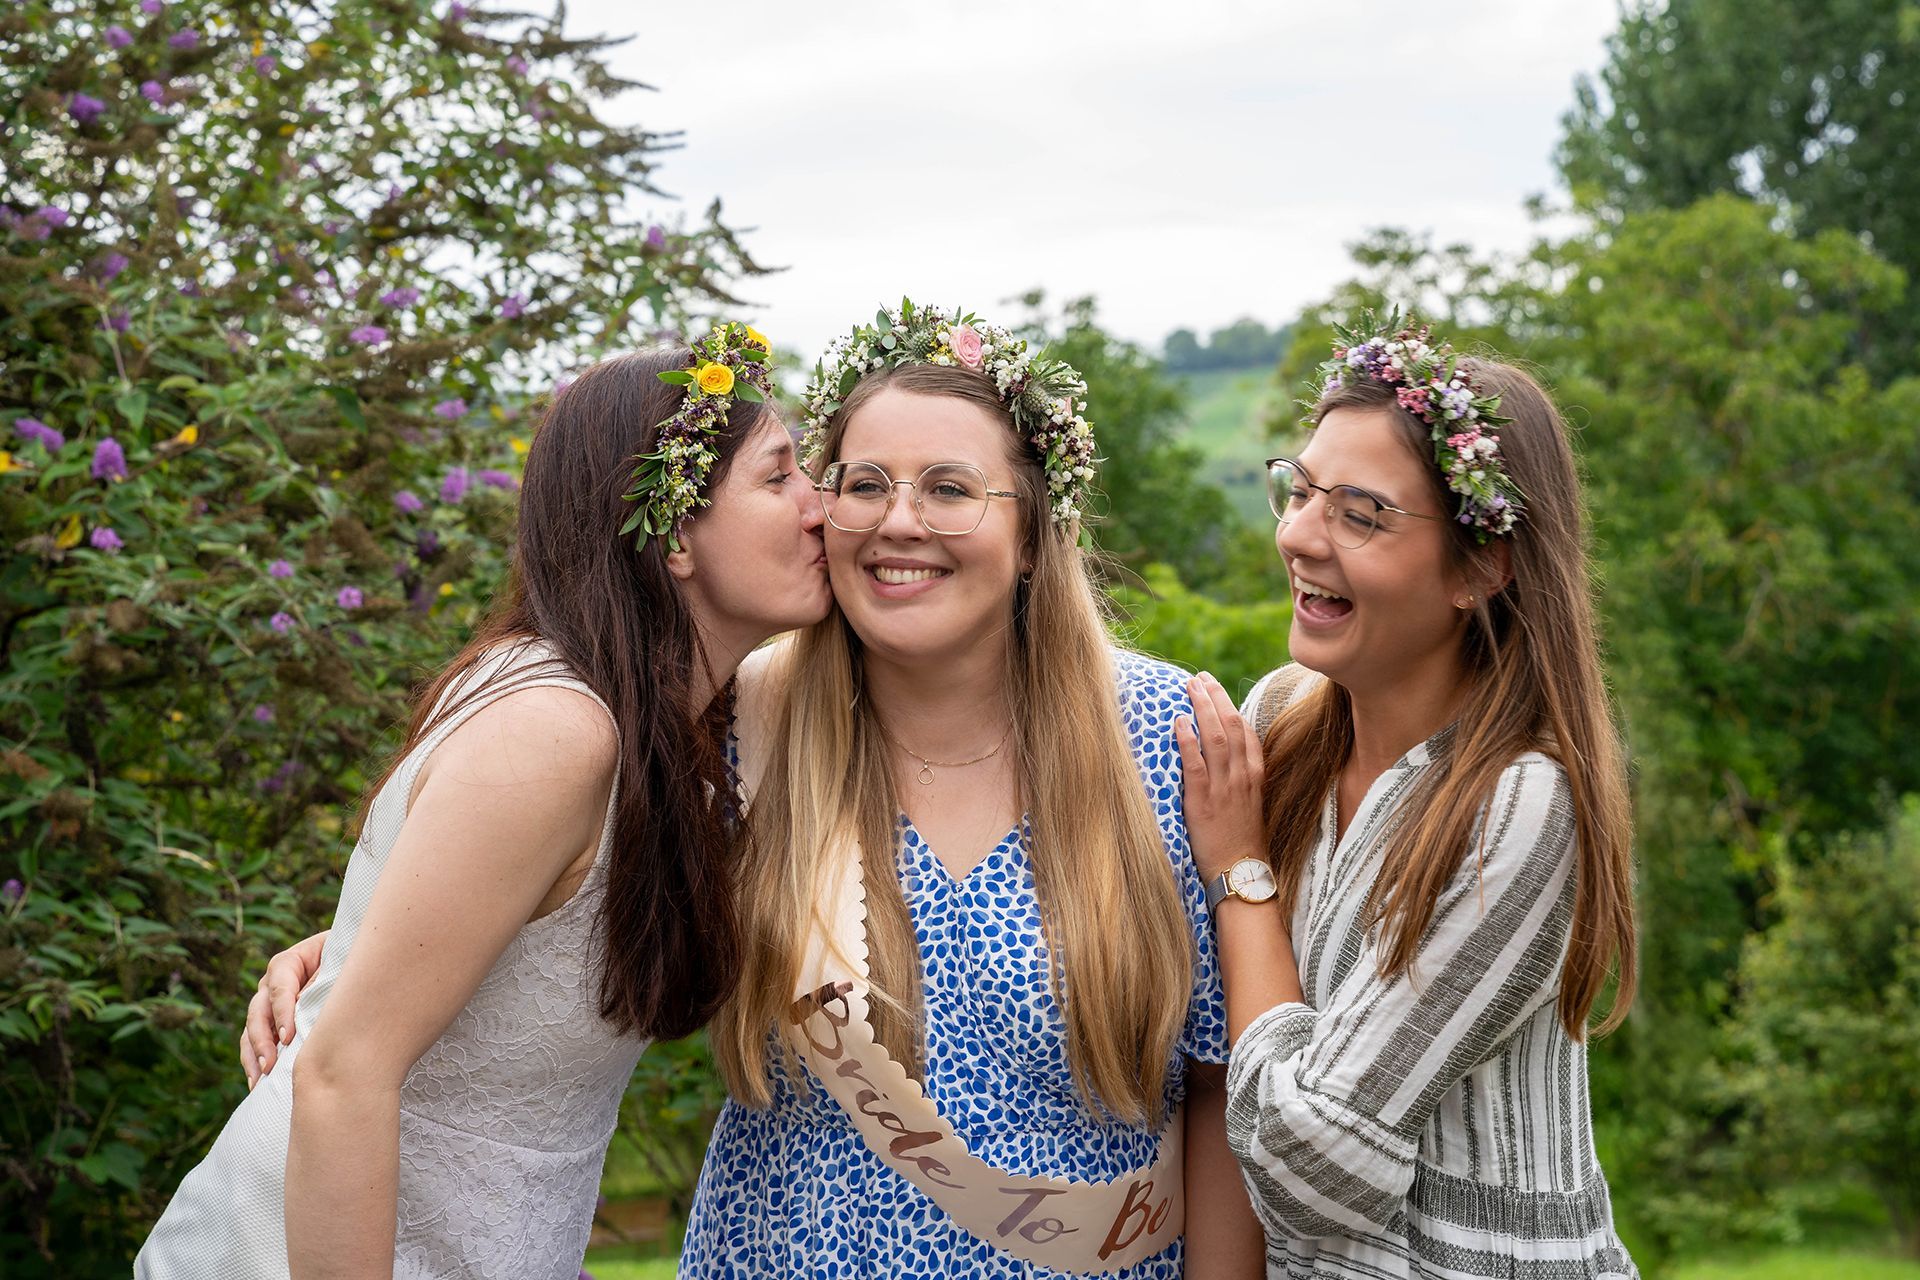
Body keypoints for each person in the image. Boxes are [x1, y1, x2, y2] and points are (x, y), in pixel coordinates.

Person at [137, 325, 830, 1280]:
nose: (820, 506)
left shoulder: (681, 722)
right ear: (673, 535)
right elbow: (345, 1073)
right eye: (781, 476)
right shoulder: (557, 729)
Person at [682, 301, 1263, 1278]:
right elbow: (564, 903)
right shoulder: (748, 723)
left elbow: (1222, 1085)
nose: (898, 521)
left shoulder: (1161, 741)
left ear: (1035, 533)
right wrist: (357, 943)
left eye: (950, 488)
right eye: (864, 484)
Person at [1175, 315, 1640, 1279]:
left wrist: (1242, 876)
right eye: (1298, 491)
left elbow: (1319, 1170)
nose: (1299, 536)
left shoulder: (1520, 803)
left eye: (1360, 514)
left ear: (1482, 567)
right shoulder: (1283, 719)